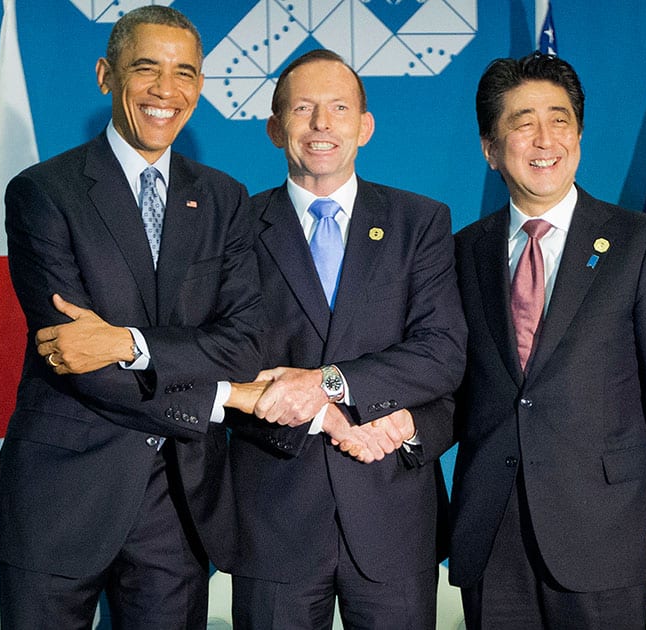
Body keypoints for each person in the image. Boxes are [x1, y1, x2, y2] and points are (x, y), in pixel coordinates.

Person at [0, 6, 263, 629]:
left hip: (179, 504)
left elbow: (243, 344)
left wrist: (127, 342)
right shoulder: (44, 192)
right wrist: (211, 402)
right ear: (106, 76)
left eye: (185, 73)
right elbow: (75, 356)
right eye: (147, 69)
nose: (167, 91)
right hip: (61, 496)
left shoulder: (224, 198)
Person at [448, 53, 646, 629]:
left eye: (559, 120)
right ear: (491, 148)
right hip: (493, 534)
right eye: (522, 121)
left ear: (580, 135)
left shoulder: (640, 244)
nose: (544, 139)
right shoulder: (463, 252)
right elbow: (455, 388)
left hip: (607, 531)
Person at [223, 49, 466, 629]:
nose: (322, 125)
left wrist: (331, 385)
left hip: (392, 511)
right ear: (276, 128)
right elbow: (226, 359)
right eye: (303, 109)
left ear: (365, 125)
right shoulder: (234, 229)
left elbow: (441, 351)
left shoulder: (420, 222)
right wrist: (321, 415)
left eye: (339, 108)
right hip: (273, 515)